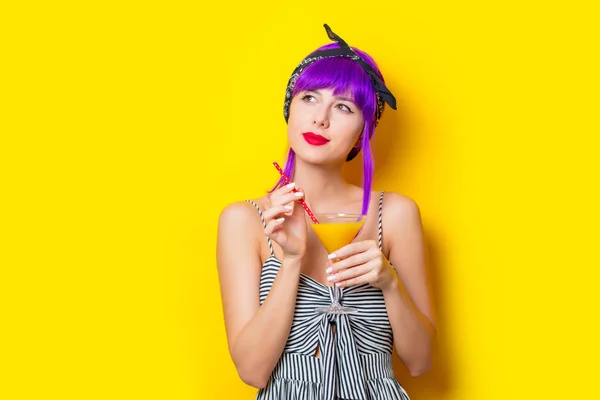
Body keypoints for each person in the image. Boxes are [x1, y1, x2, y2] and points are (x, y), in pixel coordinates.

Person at [217, 24, 437, 400]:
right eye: (309, 98)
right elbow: (252, 371)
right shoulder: (246, 220)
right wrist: (290, 261)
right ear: (290, 108)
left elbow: (420, 362)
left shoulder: (396, 215)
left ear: (363, 131)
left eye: (343, 106)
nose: (321, 118)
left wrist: (388, 283)